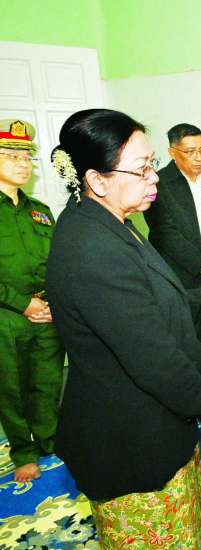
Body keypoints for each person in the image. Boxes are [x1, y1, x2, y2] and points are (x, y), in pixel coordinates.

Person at [46, 109, 201, 548]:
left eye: (152, 164)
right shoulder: (93, 249)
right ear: (98, 180)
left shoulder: (115, 223)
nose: (154, 178)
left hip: (154, 422)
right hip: (127, 438)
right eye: (143, 168)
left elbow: (169, 318)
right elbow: (153, 357)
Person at [0, 119, 64, 482]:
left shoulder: (40, 210)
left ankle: (49, 439)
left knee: (47, 380)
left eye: (26, 157)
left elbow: (55, 261)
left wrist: (52, 303)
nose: (23, 164)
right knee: (11, 387)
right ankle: (23, 451)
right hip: (7, 315)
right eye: (12, 156)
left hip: (47, 311)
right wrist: (23, 304)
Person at [143, 123, 201, 363]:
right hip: (180, 279)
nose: (198, 157)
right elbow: (164, 233)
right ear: (173, 152)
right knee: (183, 347)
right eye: (190, 152)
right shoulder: (158, 184)